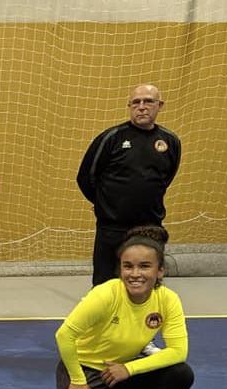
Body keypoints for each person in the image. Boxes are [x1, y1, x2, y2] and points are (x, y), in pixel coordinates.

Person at [55, 226, 193, 389]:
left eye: (145, 266)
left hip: (120, 371)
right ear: (120, 269)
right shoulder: (105, 294)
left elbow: (179, 351)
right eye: (128, 266)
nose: (135, 274)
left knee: (181, 374)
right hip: (84, 370)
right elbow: (64, 335)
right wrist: (77, 380)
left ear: (160, 270)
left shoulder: (168, 300)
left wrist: (128, 369)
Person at [77, 84, 181, 287]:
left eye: (148, 101)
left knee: (145, 284)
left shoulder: (170, 141)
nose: (141, 107)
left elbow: (165, 179)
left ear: (160, 105)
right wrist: (103, 203)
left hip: (150, 228)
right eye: (136, 102)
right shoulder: (111, 138)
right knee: (105, 285)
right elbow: (85, 177)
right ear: (129, 106)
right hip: (112, 227)